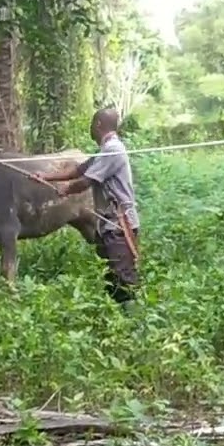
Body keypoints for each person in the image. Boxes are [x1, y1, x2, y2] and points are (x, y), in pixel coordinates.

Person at [30, 107, 140, 309]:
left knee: (124, 278)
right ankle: (116, 320)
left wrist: (66, 190)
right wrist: (45, 176)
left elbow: (86, 181)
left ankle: (134, 321)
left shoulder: (113, 149)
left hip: (119, 224)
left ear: (98, 124)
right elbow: (78, 170)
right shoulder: (104, 151)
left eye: (91, 124)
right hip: (107, 224)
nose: (90, 129)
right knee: (111, 278)